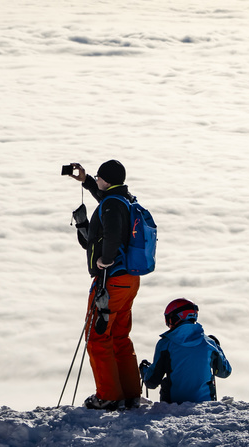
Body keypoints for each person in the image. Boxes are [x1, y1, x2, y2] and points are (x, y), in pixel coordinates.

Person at [65, 159, 143, 410]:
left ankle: (109, 395)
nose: (97, 180)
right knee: (119, 335)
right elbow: (106, 200)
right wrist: (85, 180)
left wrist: (104, 260)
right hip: (130, 278)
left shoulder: (111, 205)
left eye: (99, 177)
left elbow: (111, 231)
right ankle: (130, 393)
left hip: (113, 280)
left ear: (107, 180)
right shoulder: (125, 200)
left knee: (98, 336)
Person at [140, 298, 231, 403]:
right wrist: (218, 348)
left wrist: (144, 370)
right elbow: (225, 372)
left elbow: (152, 382)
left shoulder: (165, 344)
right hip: (205, 404)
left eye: (168, 319)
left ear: (175, 318)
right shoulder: (209, 343)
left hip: (172, 405)